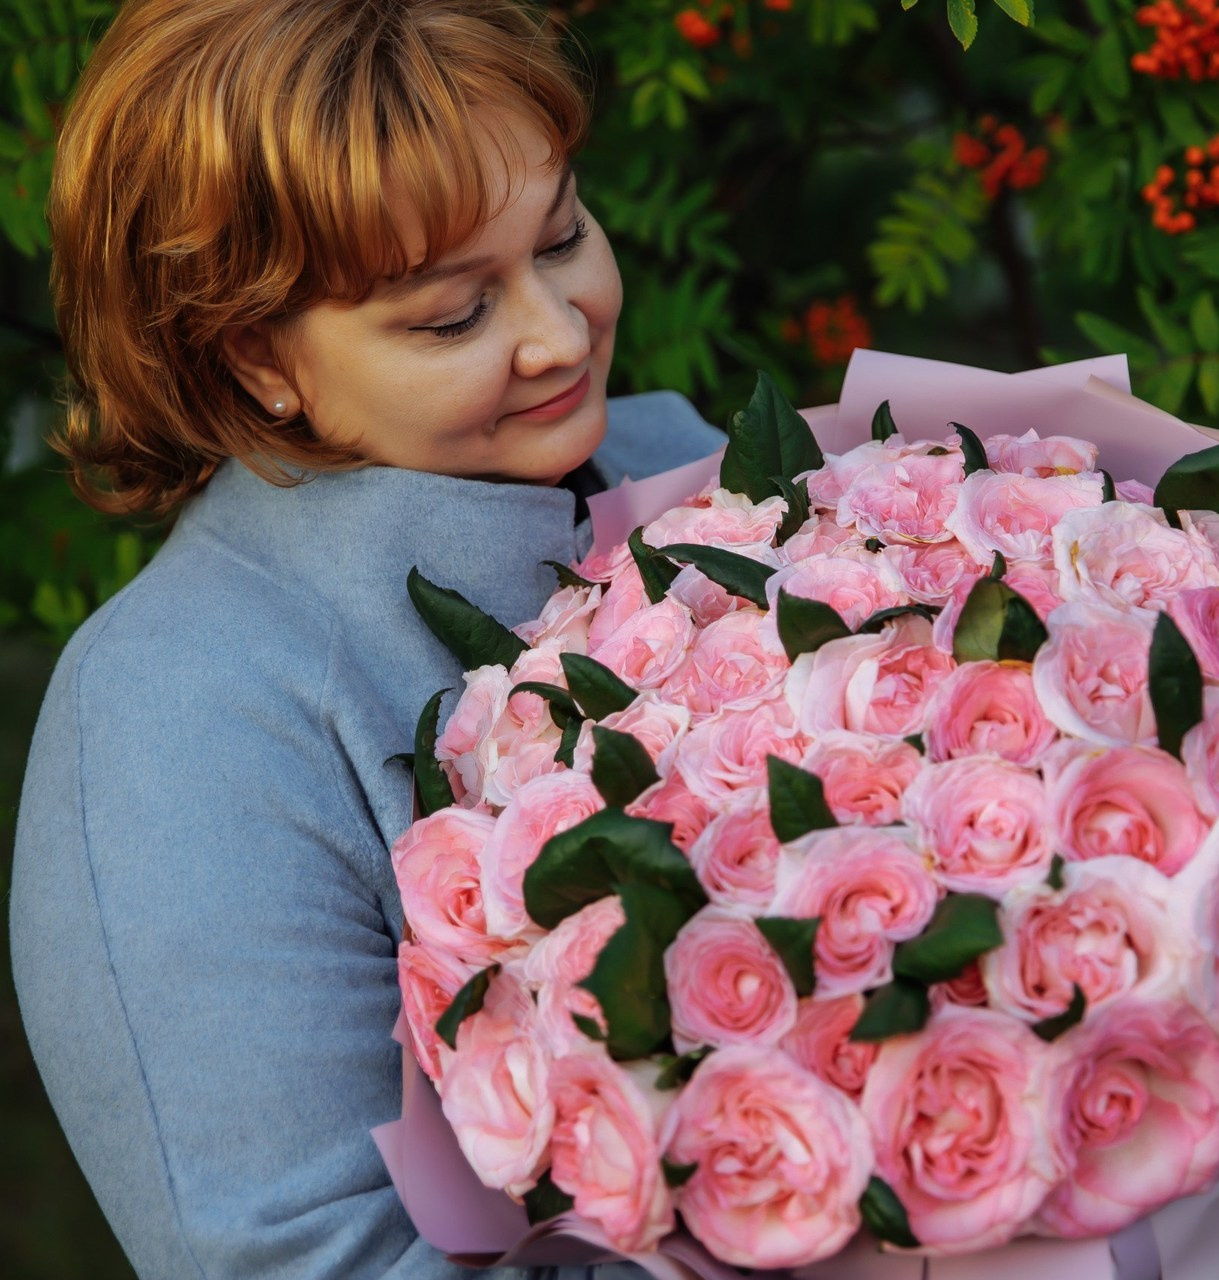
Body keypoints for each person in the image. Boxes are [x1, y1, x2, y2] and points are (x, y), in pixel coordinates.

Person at [9, 1, 723, 1275]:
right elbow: (301, 1253)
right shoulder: (172, 718)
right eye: (452, 314)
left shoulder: (693, 468)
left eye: (562, 235)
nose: (560, 333)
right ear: (253, 360)